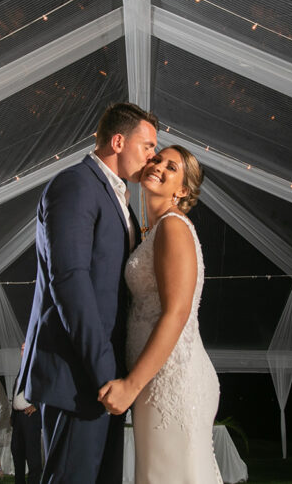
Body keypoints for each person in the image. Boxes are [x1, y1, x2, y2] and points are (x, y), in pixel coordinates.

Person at [19, 102, 158, 484]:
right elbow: (71, 280)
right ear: (118, 141)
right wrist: (104, 374)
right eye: (147, 146)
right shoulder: (75, 184)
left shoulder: (122, 203)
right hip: (79, 376)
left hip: (108, 375)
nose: (152, 156)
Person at [98, 145, 222, 483]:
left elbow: (177, 313)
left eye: (172, 167)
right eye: (156, 159)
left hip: (173, 381)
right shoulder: (151, 232)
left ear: (182, 190)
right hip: (154, 378)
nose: (158, 167)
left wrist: (130, 386)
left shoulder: (173, 227)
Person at [10, 345, 41, 484]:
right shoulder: (22, 368)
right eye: (22, 350)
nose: (23, 352)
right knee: (17, 451)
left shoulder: (37, 367)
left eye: (26, 349)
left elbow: (47, 387)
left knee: (32, 453)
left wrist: (37, 405)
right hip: (18, 417)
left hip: (30, 416)